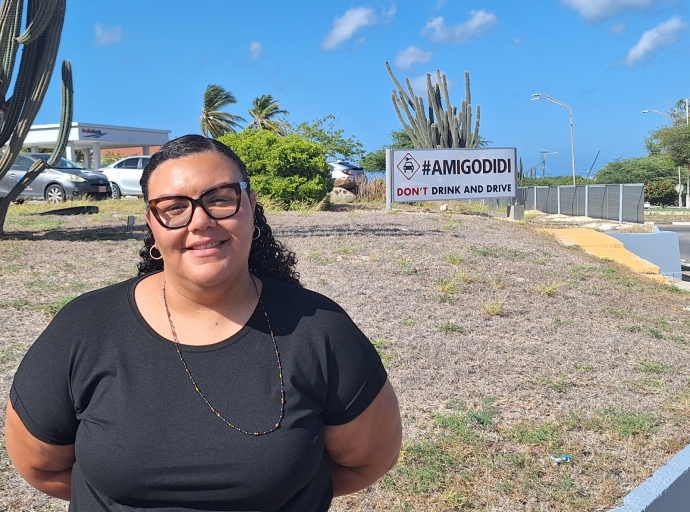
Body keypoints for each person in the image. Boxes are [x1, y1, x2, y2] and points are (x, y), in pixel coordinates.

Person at [5, 134, 402, 510]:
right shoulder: (84, 327)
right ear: (151, 223)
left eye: (220, 199)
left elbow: (363, 462)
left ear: (250, 203)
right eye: (174, 207)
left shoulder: (320, 329)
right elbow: (40, 464)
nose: (200, 221)